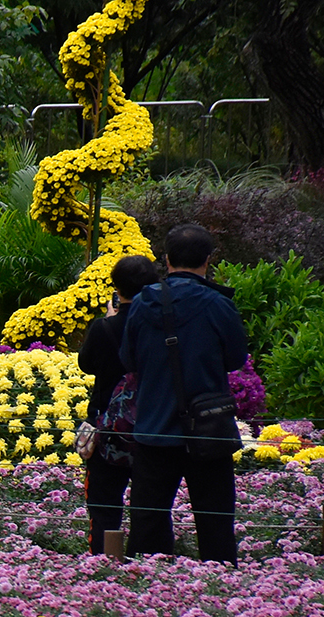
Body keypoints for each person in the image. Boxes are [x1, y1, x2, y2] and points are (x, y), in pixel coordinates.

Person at [120, 223, 248, 564]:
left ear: (166, 259)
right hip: (208, 432)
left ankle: (144, 596)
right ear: (208, 261)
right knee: (216, 523)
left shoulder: (143, 304)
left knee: (147, 524)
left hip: (153, 429)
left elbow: (128, 360)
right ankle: (221, 595)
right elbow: (236, 359)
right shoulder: (218, 305)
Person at [76, 254, 162, 555]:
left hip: (107, 428)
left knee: (103, 504)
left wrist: (110, 323)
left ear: (116, 287)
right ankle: (149, 563)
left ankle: (103, 561)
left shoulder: (105, 328)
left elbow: (86, 364)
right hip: (153, 425)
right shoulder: (162, 325)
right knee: (151, 505)